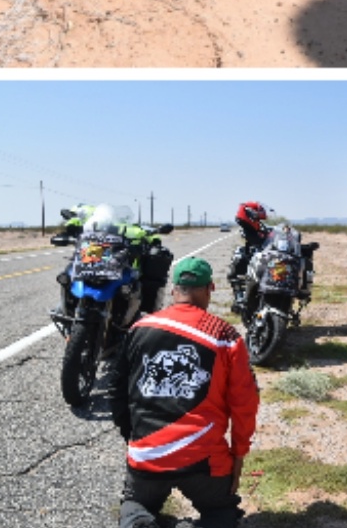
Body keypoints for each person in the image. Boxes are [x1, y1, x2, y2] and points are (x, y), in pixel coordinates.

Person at [112, 255, 259, 528]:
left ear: (174, 289)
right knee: (221, 514)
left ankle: (137, 519)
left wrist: (132, 437)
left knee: (136, 504)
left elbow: (117, 391)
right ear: (209, 289)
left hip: (147, 455)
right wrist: (239, 454)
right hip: (204, 460)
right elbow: (244, 402)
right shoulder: (225, 336)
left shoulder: (138, 329)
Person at [227, 200, 271, 297]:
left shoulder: (255, 229)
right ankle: (241, 295)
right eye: (257, 212)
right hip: (256, 264)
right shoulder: (249, 231)